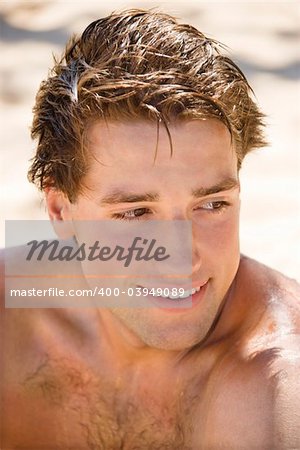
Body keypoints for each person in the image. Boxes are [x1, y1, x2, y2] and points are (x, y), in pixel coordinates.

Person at [1, 8, 299, 450]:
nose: (181, 257)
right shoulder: (14, 310)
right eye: (137, 213)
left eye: (212, 204)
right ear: (61, 213)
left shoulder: (274, 385)